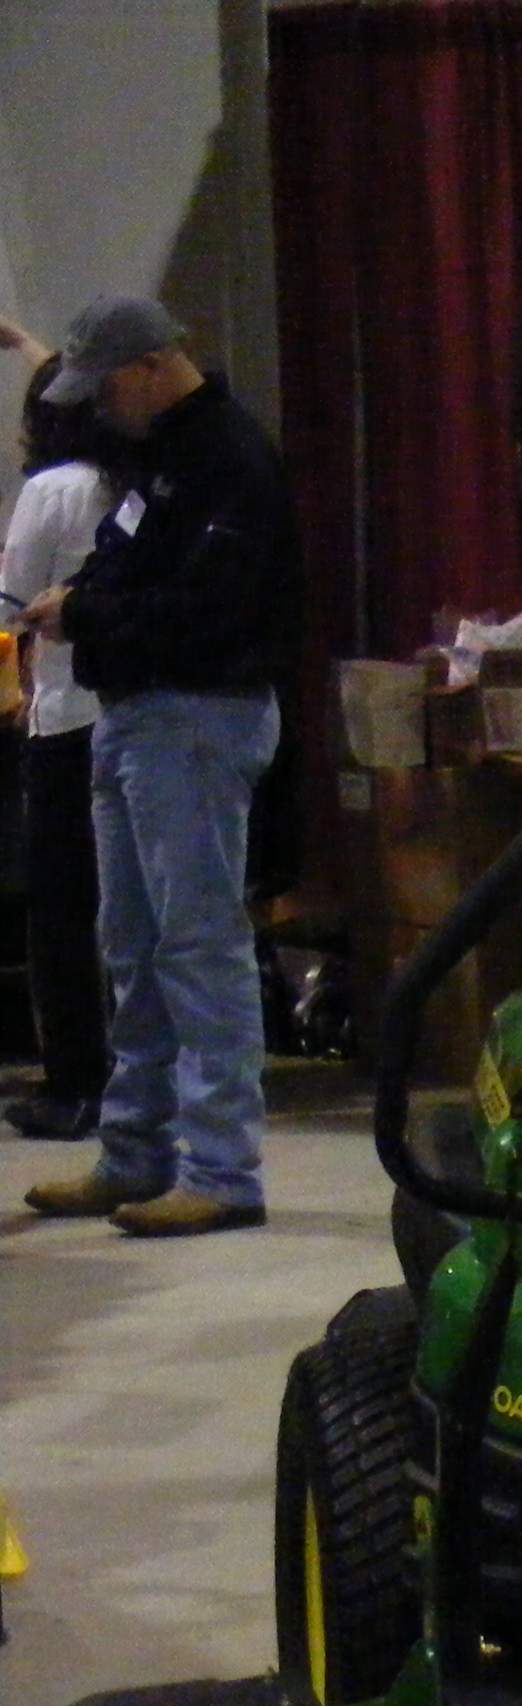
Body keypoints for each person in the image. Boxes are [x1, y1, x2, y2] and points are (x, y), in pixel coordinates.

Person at [20, 297, 300, 1236]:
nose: (99, 408)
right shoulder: (162, 457)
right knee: (132, 947)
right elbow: (125, 555)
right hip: (132, 716)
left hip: (197, 717)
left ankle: (222, 1169)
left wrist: (85, 614)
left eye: (104, 388)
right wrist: (79, 593)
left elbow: (209, 609)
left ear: (147, 366)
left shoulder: (231, 462)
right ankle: (135, 1152)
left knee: (197, 945)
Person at [1, 339, 133, 1139]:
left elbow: (11, 601)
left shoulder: (49, 489)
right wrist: (22, 340)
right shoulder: (133, 482)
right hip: (125, 712)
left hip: (64, 718)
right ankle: (133, 1080)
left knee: (59, 909)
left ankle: (74, 1081)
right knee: (127, 909)